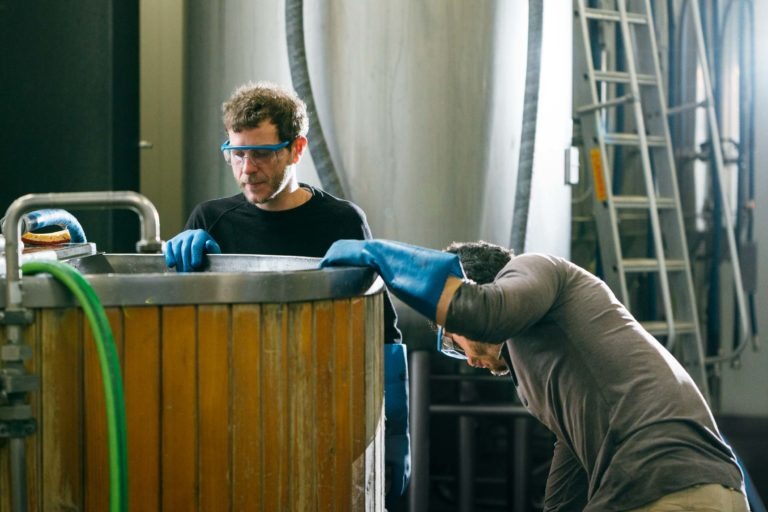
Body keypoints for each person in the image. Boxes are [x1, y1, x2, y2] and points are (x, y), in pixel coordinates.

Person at [320, 239, 749, 511]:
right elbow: (571, 472)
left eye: (454, 341)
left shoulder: (536, 268)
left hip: (662, 486)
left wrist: (376, 255)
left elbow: (483, 313)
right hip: (711, 490)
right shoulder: (544, 372)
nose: (466, 358)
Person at [163, 81, 410, 504]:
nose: (247, 169)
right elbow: (182, 334)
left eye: (261, 153)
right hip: (232, 412)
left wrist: (397, 430)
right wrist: (179, 274)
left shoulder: (341, 221)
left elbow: (382, 333)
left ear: (296, 150)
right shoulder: (211, 219)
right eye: (236, 154)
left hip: (320, 411)